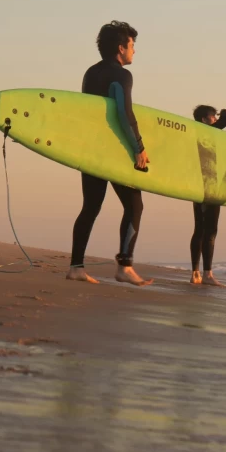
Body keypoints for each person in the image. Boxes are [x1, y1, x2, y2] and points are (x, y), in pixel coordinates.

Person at [67, 20, 153, 286]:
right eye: (132, 45)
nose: (134, 50)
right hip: (112, 153)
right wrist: (139, 148)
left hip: (90, 151)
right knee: (135, 205)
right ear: (120, 48)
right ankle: (124, 266)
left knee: (91, 206)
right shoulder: (122, 75)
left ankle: (76, 267)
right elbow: (124, 113)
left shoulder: (90, 73)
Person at [190, 105, 226, 286]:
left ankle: (195, 273)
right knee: (211, 229)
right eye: (212, 116)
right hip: (209, 186)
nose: (215, 119)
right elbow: (224, 122)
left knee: (199, 229)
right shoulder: (206, 131)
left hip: (198, 185)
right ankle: (207, 274)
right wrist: (225, 113)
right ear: (204, 120)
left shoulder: (195, 134)